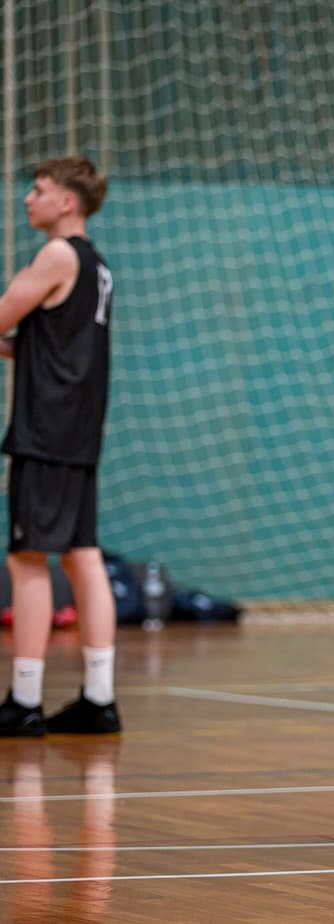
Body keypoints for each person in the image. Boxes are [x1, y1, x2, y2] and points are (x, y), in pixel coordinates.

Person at [0, 156, 120, 738]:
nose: (28, 197)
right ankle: (98, 696)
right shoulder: (97, 266)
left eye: (39, 189)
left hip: (45, 430)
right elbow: (55, 343)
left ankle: (23, 699)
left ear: (67, 202)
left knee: (27, 558)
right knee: (83, 555)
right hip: (78, 428)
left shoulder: (55, 254)